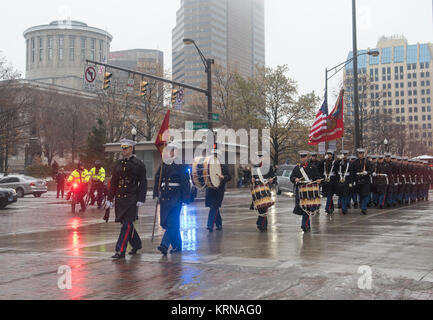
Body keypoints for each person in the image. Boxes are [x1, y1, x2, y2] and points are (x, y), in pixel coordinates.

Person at [106, 139, 147, 259]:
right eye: (123, 148)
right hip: (120, 197)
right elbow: (114, 182)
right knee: (125, 224)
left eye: (126, 148)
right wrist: (109, 198)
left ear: (131, 149)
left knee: (127, 225)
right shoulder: (118, 164)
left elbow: (143, 182)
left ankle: (120, 250)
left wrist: (141, 198)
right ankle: (137, 244)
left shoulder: (138, 164)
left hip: (131, 197)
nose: (124, 150)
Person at [153, 141, 190, 256]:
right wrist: (155, 193)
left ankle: (164, 245)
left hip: (176, 196)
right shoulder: (164, 164)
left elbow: (185, 182)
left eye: (173, 150)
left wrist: (185, 198)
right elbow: (157, 178)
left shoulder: (181, 165)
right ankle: (177, 245)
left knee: (172, 222)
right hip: (165, 197)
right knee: (166, 223)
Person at [290, 151, 321, 232]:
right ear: (300, 158)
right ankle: (306, 225)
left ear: (307, 157)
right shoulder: (297, 168)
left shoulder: (312, 167)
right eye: (302, 157)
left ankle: (305, 225)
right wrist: (295, 179)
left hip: (310, 190)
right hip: (300, 190)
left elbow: (317, 176)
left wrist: (318, 180)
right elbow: (292, 177)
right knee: (303, 208)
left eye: (304, 157)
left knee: (308, 208)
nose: (303, 158)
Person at [205, 150, 231, 232]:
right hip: (210, 189)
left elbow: (229, 177)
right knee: (213, 207)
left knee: (214, 206)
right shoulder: (208, 165)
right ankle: (219, 223)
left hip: (219, 189)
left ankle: (210, 225)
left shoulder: (223, 166)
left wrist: (224, 177)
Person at [250, 151, 276, 232]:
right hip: (257, 189)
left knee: (264, 207)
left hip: (265, 188)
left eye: (261, 157)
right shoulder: (255, 167)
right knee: (260, 207)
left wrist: (272, 179)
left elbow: (274, 177)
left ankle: (262, 224)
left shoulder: (269, 167)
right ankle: (262, 224)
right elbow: (252, 179)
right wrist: (252, 180)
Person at [351, 149, 373, 215]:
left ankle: (364, 208)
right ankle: (362, 205)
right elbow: (352, 172)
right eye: (359, 154)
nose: (360, 155)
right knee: (360, 195)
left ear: (363, 154)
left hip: (365, 180)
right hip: (358, 180)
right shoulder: (355, 162)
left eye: (361, 153)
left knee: (365, 195)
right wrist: (353, 180)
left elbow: (371, 170)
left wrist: (367, 172)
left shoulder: (368, 162)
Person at [319, 150, 338, 215]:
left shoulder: (334, 162)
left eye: (330, 154)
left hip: (332, 180)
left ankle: (327, 208)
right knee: (328, 195)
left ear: (332, 155)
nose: (329, 155)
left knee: (330, 194)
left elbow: (337, 169)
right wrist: (324, 159)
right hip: (325, 180)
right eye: (328, 154)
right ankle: (331, 207)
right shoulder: (324, 161)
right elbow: (319, 166)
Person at [335, 150, 353, 215]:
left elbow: (351, 173)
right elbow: (334, 167)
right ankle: (343, 207)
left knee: (345, 195)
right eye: (343, 154)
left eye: (345, 155)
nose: (344, 156)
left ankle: (344, 208)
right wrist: (339, 159)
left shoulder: (350, 163)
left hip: (347, 181)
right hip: (340, 181)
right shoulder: (339, 162)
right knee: (341, 195)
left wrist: (351, 182)